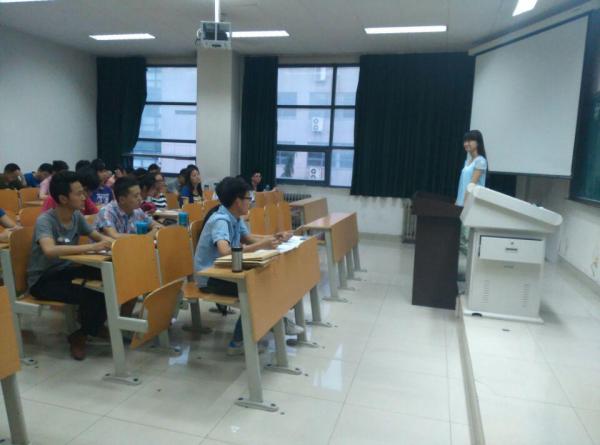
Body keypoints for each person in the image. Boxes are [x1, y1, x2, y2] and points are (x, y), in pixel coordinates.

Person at [194, 176, 300, 356]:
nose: (250, 202)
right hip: (210, 278)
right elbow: (225, 252)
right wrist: (263, 245)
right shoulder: (220, 220)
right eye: (248, 198)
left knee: (266, 282)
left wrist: (275, 238)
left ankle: (275, 321)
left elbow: (249, 238)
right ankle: (238, 342)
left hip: (226, 272)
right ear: (237, 201)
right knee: (256, 290)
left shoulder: (235, 217)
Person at [27, 171, 114, 360]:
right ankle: (80, 335)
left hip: (65, 270)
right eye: (79, 193)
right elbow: (49, 250)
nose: (84, 197)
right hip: (43, 280)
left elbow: (99, 237)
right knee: (94, 294)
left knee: (109, 278)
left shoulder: (76, 216)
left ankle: (93, 326)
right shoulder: (45, 220)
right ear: (63, 198)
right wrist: (91, 247)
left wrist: (115, 244)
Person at [95, 176, 162, 239]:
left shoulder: (137, 211)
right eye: (136, 196)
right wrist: (145, 237)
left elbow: (156, 225)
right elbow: (114, 236)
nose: (140, 198)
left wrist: (156, 228)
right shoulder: (107, 212)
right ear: (122, 200)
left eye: (139, 194)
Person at [456, 130, 488, 207]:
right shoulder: (467, 162)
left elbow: (471, 185)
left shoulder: (480, 161)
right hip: (461, 202)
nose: (466, 144)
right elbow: (462, 184)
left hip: (471, 204)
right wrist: (458, 201)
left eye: (469, 141)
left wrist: (464, 203)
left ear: (478, 143)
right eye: (465, 141)